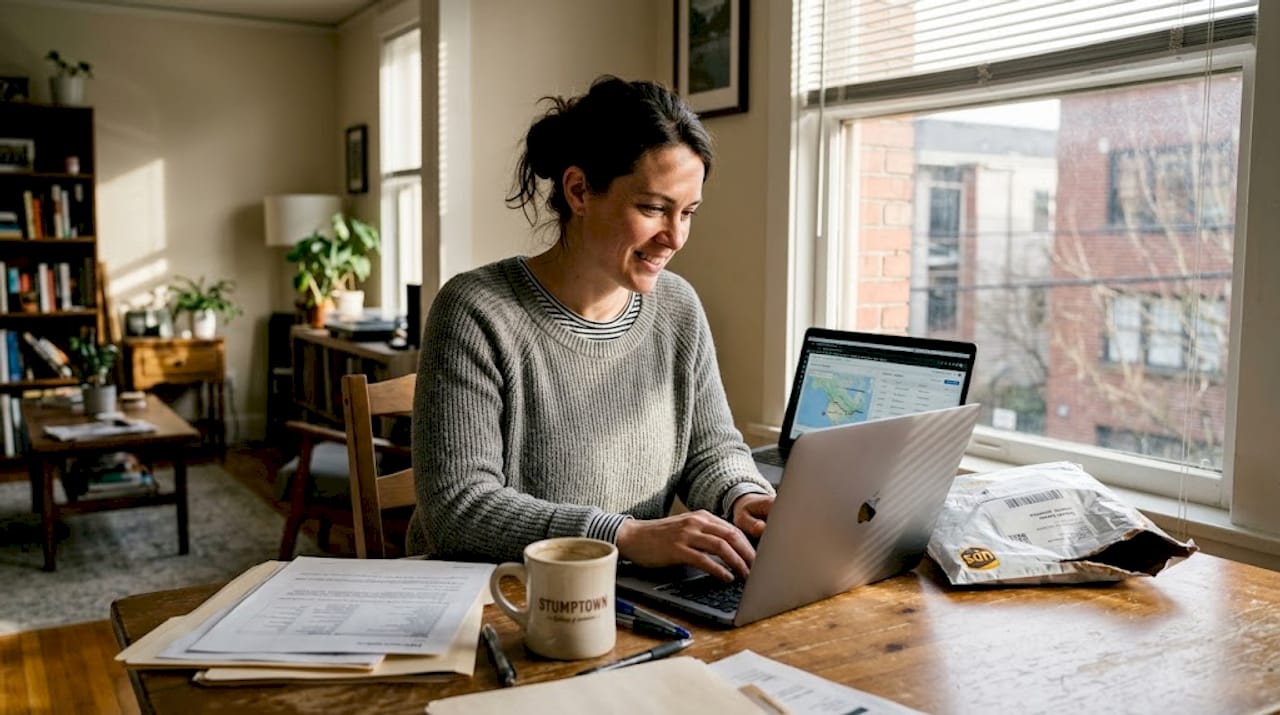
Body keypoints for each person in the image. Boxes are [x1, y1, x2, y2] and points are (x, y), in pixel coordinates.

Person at [406, 75, 774, 582]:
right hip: (495, 596)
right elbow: (458, 509)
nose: (675, 237)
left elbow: (710, 450)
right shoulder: (476, 311)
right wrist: (623, 536)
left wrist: (742, 497)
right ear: (578, 191)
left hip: (624, 593)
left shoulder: (679, 308)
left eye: (688, 212)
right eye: (653, 208)